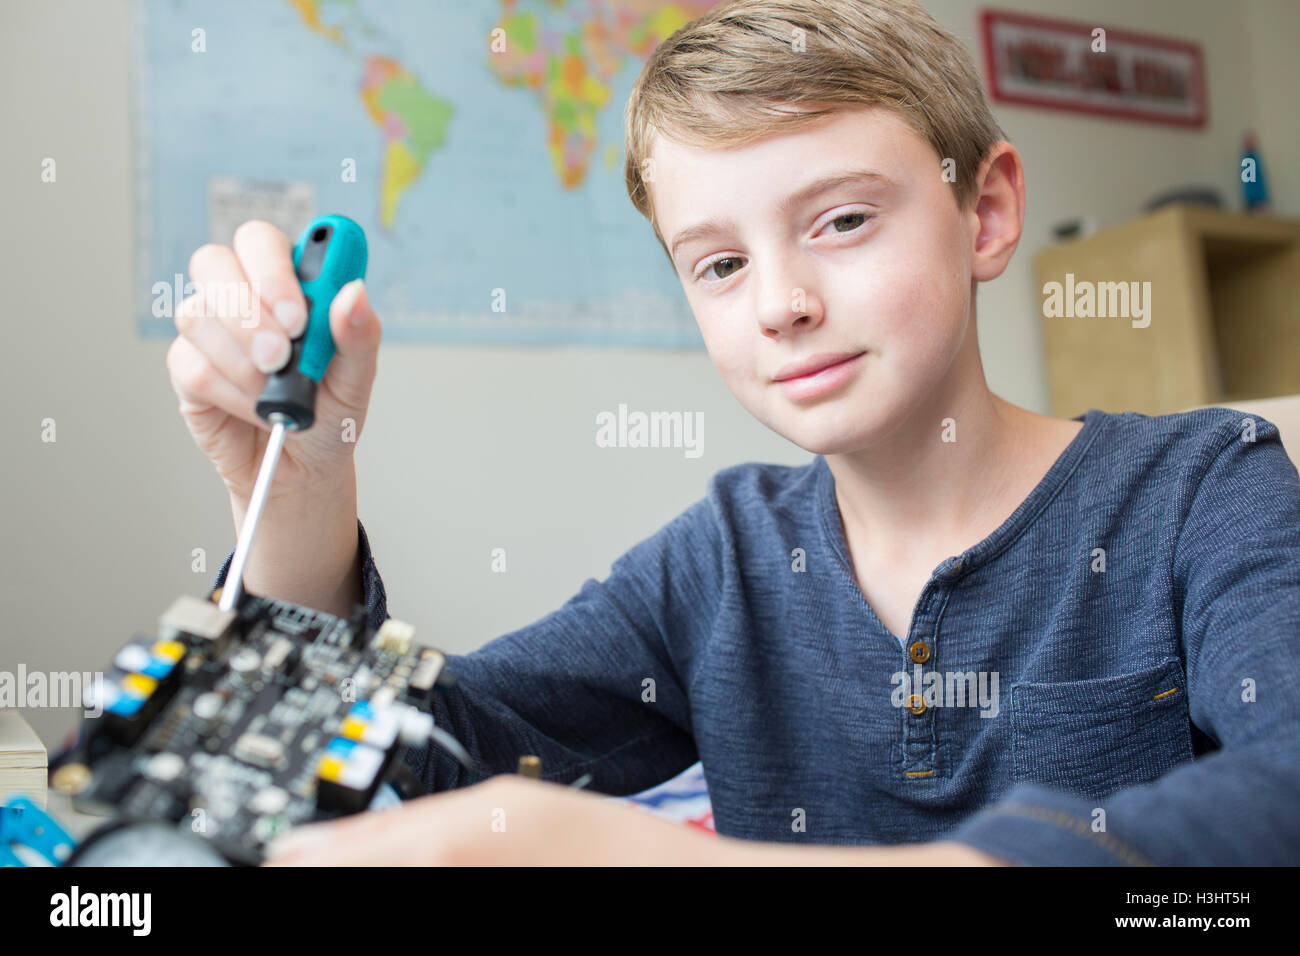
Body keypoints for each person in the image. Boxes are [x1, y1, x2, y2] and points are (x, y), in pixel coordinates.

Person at [167, 0, 1300, 865]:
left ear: (984, 212)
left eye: (844, 220)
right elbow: (416, 757)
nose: (780, 301)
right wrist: (303, 492)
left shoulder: (1202, 487)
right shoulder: (720, 559)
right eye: (719, 263)